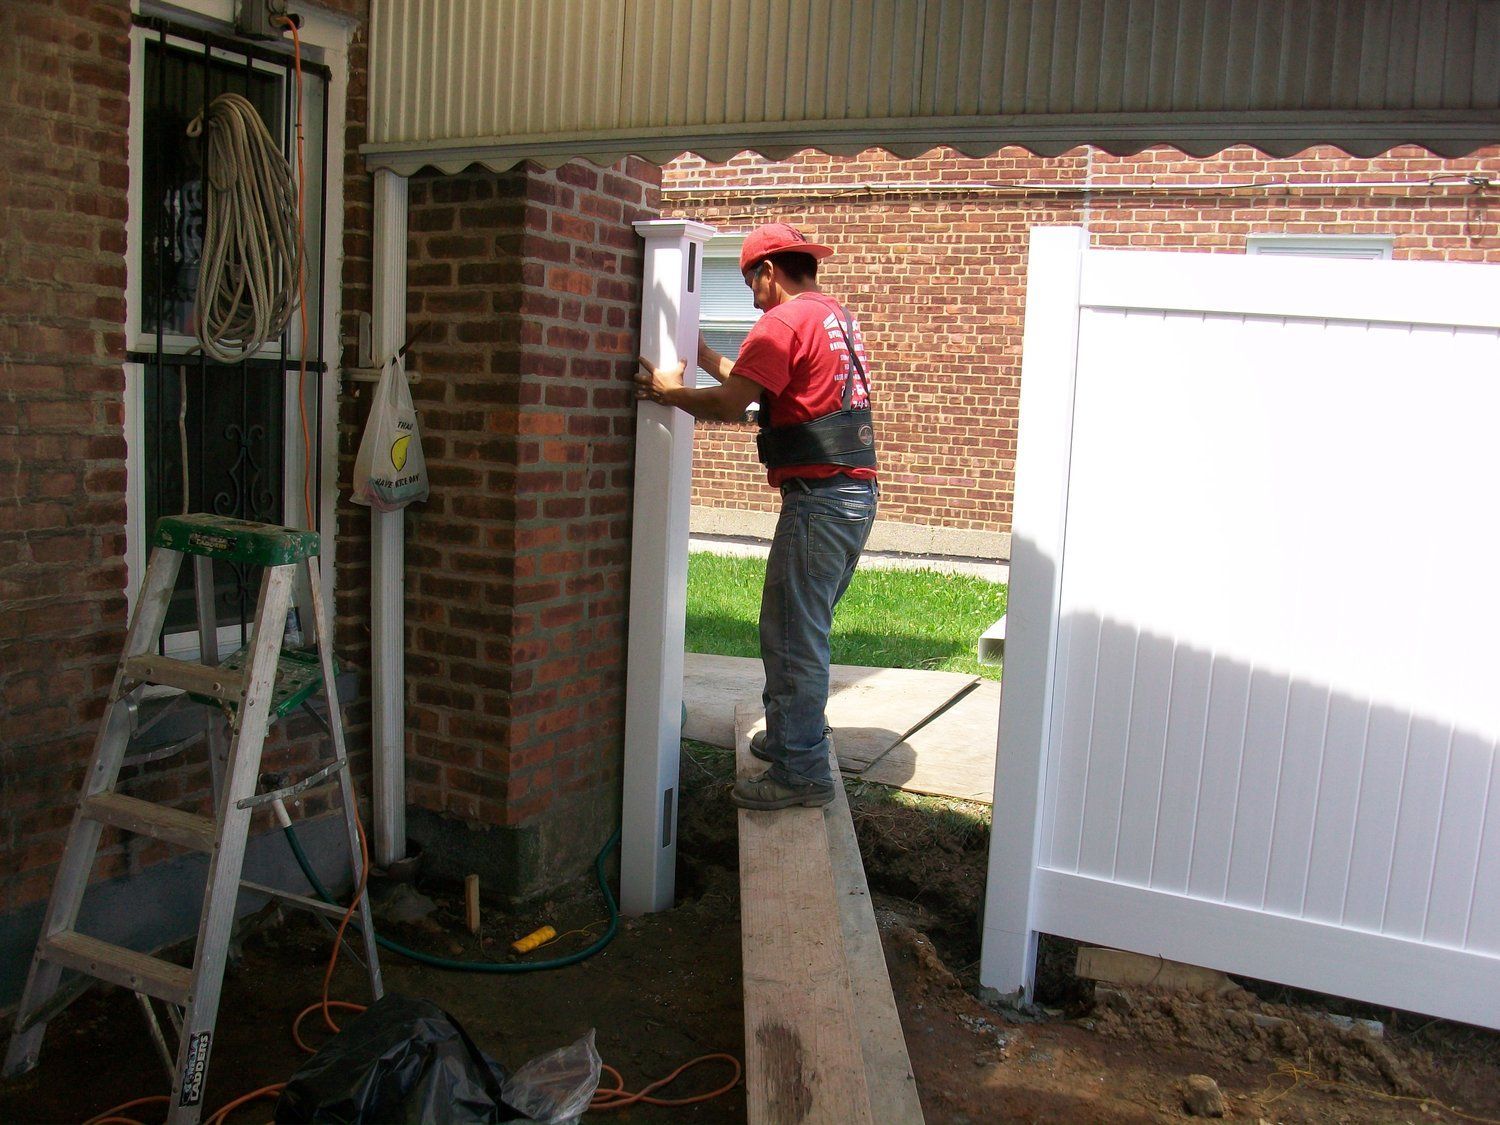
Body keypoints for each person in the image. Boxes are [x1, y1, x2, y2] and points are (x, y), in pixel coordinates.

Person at [634, 222, 879, 811]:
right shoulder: (830, 316)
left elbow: (727, 403)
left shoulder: (782, 321)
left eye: (750, 282)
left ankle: (801, 772)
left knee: (793, 635)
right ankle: (790, 740)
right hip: (851, 496)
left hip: (820, 499)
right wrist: (706, 357)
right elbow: (762, 392)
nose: (750, 298)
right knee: (797, 628)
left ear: (768, 270)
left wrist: (671, 391)